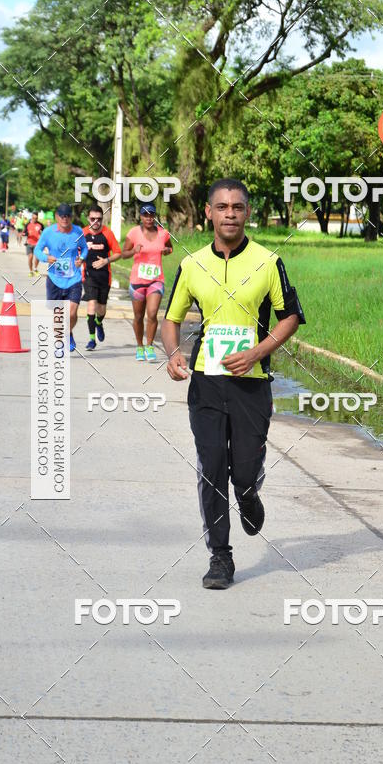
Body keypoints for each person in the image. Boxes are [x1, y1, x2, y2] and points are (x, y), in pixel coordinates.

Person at [161, 178, 305, 590]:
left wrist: (257, 353)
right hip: (206, 382)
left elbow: (290, 316)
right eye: (221, 206)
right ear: (209, 212)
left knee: (241, 470)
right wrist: (172, 353)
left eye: (237, 207)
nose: (229, 213)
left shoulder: (268, 260)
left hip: (251, 384)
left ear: (247, 213)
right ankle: (220, 558)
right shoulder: (191, 265)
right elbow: (171, 319)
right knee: (211, 470)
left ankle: (248, 492)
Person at [121, 202, 173, 361]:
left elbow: (170, 248)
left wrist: (166, 251)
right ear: (141, 217)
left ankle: (150, 346)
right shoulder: (134, 233)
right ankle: (139, 346)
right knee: (138, 316)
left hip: (156, 280)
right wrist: (133, 251)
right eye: (145, 215)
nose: (148, 218)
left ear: (154, 216)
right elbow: (124, 254)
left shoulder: (163, 234)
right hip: (137, 281)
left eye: (151, 215)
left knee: (152, 313)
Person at [34, 203, 88, 352]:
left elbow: (84, 248)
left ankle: (68, 332)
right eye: (62, 216)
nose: (65, 219)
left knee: (72, 313)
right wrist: (45, 258)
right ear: (57, 216)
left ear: (71, 217)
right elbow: (37, 249)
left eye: (68, 216)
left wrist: (81, 258)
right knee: (58, 315)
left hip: (73, 278)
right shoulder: (48, 232)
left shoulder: (78, 232)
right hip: (55, 279)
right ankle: (59, 344)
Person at [81, 204, 122, 350]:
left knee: (101, 309)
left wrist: (106, 260)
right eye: (93, 218)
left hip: (105, 277)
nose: (96, 222)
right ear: (88, 218)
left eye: (99, 219)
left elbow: (118, 252)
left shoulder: (108, 233)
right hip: (88, 276)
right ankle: (91, 340)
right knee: (91, 304)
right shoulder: (82, 233)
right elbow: (75, 251)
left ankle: (99, 322)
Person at [24, 211, 43, 276]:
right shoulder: (27, 224)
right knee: (30, 257)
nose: (35, 219)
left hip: (37, 244)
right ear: (32, 217)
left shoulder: (40, 225)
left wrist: (41, 235)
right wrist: (26, 234)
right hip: (29, 243)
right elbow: (24, 233)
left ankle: (35, 269)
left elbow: (44, 233)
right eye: (34, 218)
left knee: (37, 257)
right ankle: (31, 271)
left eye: (36, 218)